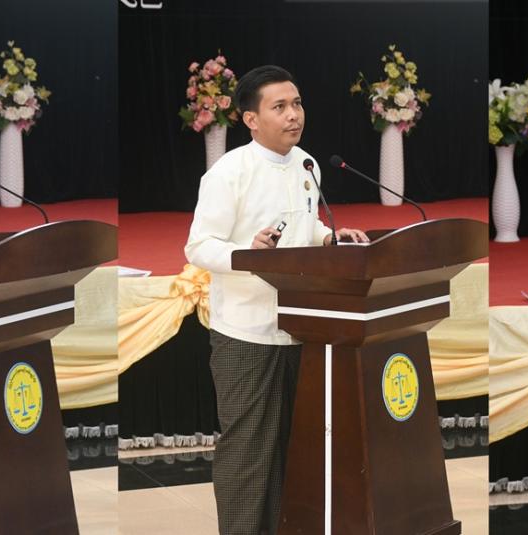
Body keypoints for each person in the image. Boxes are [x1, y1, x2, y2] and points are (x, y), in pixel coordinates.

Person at [184, 64, 368, 534]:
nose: (293, 115)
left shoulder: (307, 165)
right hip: (246, 332)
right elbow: (199, 246)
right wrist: (247, 254)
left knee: (298, 450)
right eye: (280, 106)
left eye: (297, 103)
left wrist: (328, 237)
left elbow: (307, 224)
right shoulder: (229, 172)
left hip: (303, 328)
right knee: (248, 454)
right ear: (251, 119)